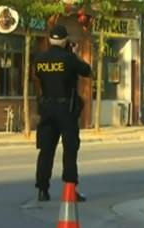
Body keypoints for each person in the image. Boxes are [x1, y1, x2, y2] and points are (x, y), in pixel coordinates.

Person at [33, 24, 92, 202]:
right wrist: (73, 53)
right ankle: (70, 190)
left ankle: (42, 190)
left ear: (50, 39)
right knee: (70, 150)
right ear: (65, 40)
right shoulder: (69, 59)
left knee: (46, 150)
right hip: (66, 110)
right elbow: (87, 71)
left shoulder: (40, 59)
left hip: (47, 108)